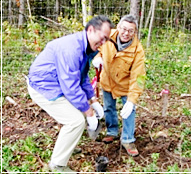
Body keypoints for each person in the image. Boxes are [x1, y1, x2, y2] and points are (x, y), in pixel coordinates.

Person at [27, 15, 114, 172]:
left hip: (57, 82)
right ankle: (57, 165)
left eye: (106, 40)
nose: (103, 43)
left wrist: (92, 100)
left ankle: (67, 145)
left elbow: (82, 77)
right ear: (91, 30)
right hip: (43, 85)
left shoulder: (87, 48)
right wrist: (89, 112)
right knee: (75, 120)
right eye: (102, 38)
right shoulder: (71, 49)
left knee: (77, 114)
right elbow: (70, 86)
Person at [92, 15, 145, 157]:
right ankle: (112, 131)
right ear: (119, 27)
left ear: (135, 32)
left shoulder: (137, 50)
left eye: (131, 31)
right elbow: (97, 49)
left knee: (129, 111)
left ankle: (128, 139)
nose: (126, 33)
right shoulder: (108, 36)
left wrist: (132, 100)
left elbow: (138, 77)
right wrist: (96, 58)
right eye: (124, 29)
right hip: (107, 81)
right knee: (108, 107)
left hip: (125, 85)